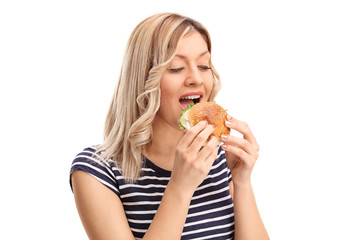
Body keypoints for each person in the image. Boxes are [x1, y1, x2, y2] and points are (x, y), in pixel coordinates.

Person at [70, 12, 269, 240]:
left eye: (204, 66)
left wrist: (241, 181)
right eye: (176, 67)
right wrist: (180, 187)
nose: (196, 78)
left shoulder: (217, 156)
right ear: (143, 79)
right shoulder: (96, 170)